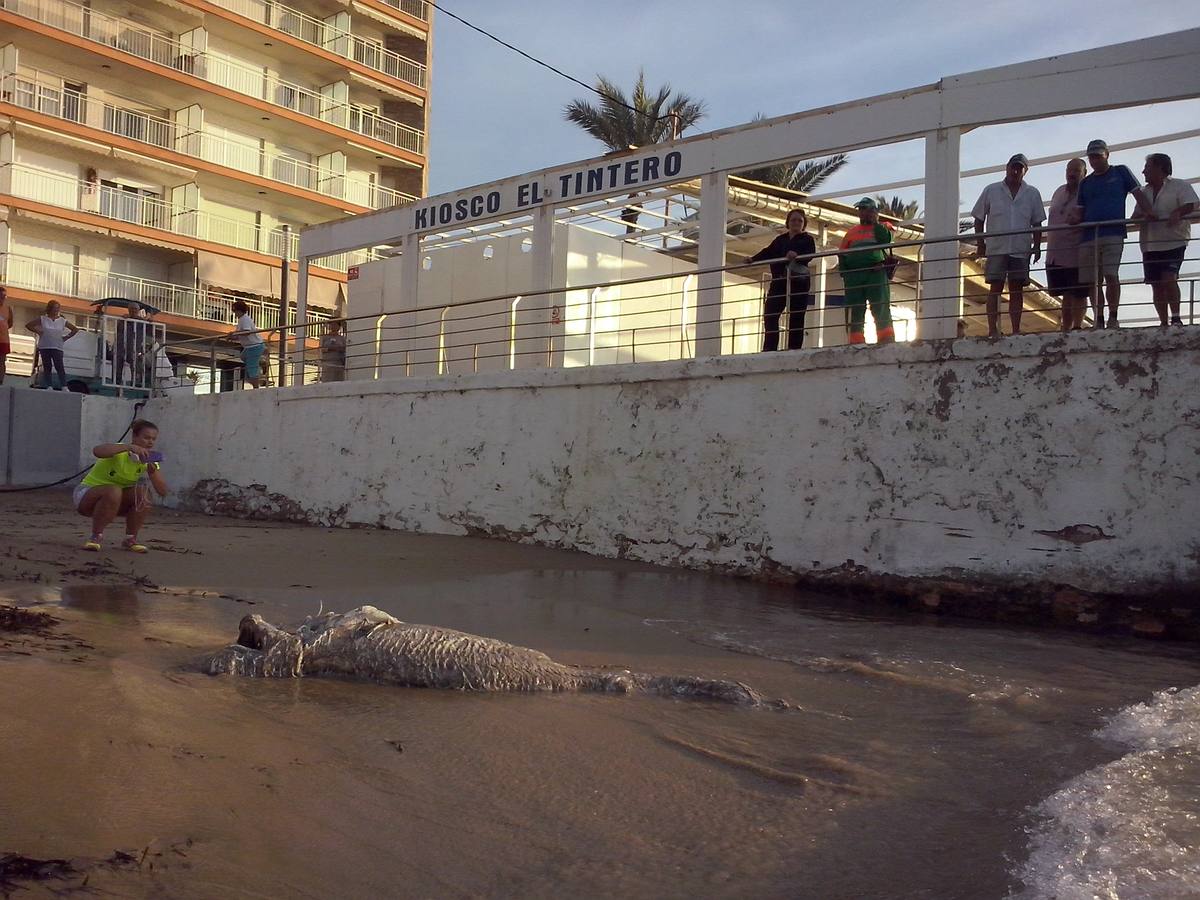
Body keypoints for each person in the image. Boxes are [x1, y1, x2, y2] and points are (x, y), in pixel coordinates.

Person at [1073, 139, 1156, 329]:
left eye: (1098, 156)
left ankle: (1113, 315)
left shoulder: (1120, 172)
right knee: (1093, 280)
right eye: (1092, 157)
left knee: (1111, 274)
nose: (1094, 160)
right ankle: (1098, 318)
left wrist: (1148, 211)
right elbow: (1079, 210)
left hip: (1113, 232)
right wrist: (1070, 219)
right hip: (1088, 234)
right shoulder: (1085, 183)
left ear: (1107, 155)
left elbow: (1138, 193)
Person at [972, 154, 1045, 337]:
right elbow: (978, 218)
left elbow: (1037, 223)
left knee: (1016, 289)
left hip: (1020, 248)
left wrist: (1037, 246)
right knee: (995, 288)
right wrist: (981, 243)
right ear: (1007, 167)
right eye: (1013, 167)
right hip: (997, 247)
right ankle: (992, 329)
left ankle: (1016, 330)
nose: (1015, 171)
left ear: (1025, 171)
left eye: (1019, 168)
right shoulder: (991, 190)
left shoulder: (1032, 193)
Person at [74, 419, 169, 553]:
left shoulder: (148, 460)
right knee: (114, 490)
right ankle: (96, 536)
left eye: (153, 439)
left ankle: (130, 539)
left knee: (143, 494)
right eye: (146, 438)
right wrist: (128, 447)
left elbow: (163, 491)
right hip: (87, 495)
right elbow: (97, 451)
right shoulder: (119, 450)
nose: (150, 442)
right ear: (134, 437)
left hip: (114, 502)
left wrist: (152, 471)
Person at [1137, 153, 1197, 328]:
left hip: (1174, 240)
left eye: (1147, 167)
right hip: (1150, 243)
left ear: (1159, 168)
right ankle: (1163, 322)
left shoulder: (1180, 185)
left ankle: (1176, 317)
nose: (1143, 172)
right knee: (1155, 284)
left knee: (1169, 278)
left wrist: (1177, 212)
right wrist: (1143, 215)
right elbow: (1135, 215)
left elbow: (1193, 203)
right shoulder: (1143, 192)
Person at [745, 209, 817, 351]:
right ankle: (770, 348)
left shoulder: (807, 239)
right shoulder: (780, 240)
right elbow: (768, 251)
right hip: (779, 281)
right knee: (771, 314)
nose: (796, 223)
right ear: (788, 223)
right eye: (793, 220)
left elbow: (810, 255)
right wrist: (752, 259)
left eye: (799, 221)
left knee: (797, 315)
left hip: (799, 282)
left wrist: (797, 255)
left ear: (804, 224)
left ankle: (794, 348)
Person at [837, 197, 894, 345]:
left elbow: (886, 240)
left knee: (880, 305)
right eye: (861, 210)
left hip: (875, 271)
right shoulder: (851, 232)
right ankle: (855, 340)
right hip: (854, 275)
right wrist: (845, 273)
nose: (863, 212)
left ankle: (885, 338)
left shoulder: (882, 228)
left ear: (874, 211)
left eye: (866, 209)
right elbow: (842, 252)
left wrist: (875, 222)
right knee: (854, 307)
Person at [1045, 158, 1089, 332]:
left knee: (1078, 292)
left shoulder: (1086, 193)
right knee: (1065, 293)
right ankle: (1066, 327)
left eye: (1076, 171)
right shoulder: (1058, 192)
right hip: (1056, 252)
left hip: (1076, 250)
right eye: (1069, 170)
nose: (1071, 174)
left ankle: (1077, 326)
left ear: (1084, 174)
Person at [26, 300, 79, 390]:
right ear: (49, 309)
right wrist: (38, 331)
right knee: (47, 366)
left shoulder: (62, 320)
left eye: (57, 308)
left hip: (57, 346)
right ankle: (49, 385)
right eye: (54, 308)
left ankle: (64, 385)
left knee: (59, 366)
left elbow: (74, 329)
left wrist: (66, 337)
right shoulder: (43, 319)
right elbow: (28, 325)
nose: (56, 310)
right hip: (45, 346)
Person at [230, 300, 265, 388]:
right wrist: (233, 336)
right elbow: (241, 334)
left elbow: (246, 332)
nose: (234, 313)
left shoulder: (244, 319)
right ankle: (260, 361)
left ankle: (256, 387)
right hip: (251, 346)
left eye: (235, 311)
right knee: (243, 357)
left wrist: (235, 334)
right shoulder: (242, 319)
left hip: (254, 346)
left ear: (239, 311)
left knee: (251, 368)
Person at [0, 286, 12, 384]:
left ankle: (0, 381)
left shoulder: (8, 309)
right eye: (1, 296)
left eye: (4, 296)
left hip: (3, 339)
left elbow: (10, 323)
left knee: (2, 361)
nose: (3, 298)